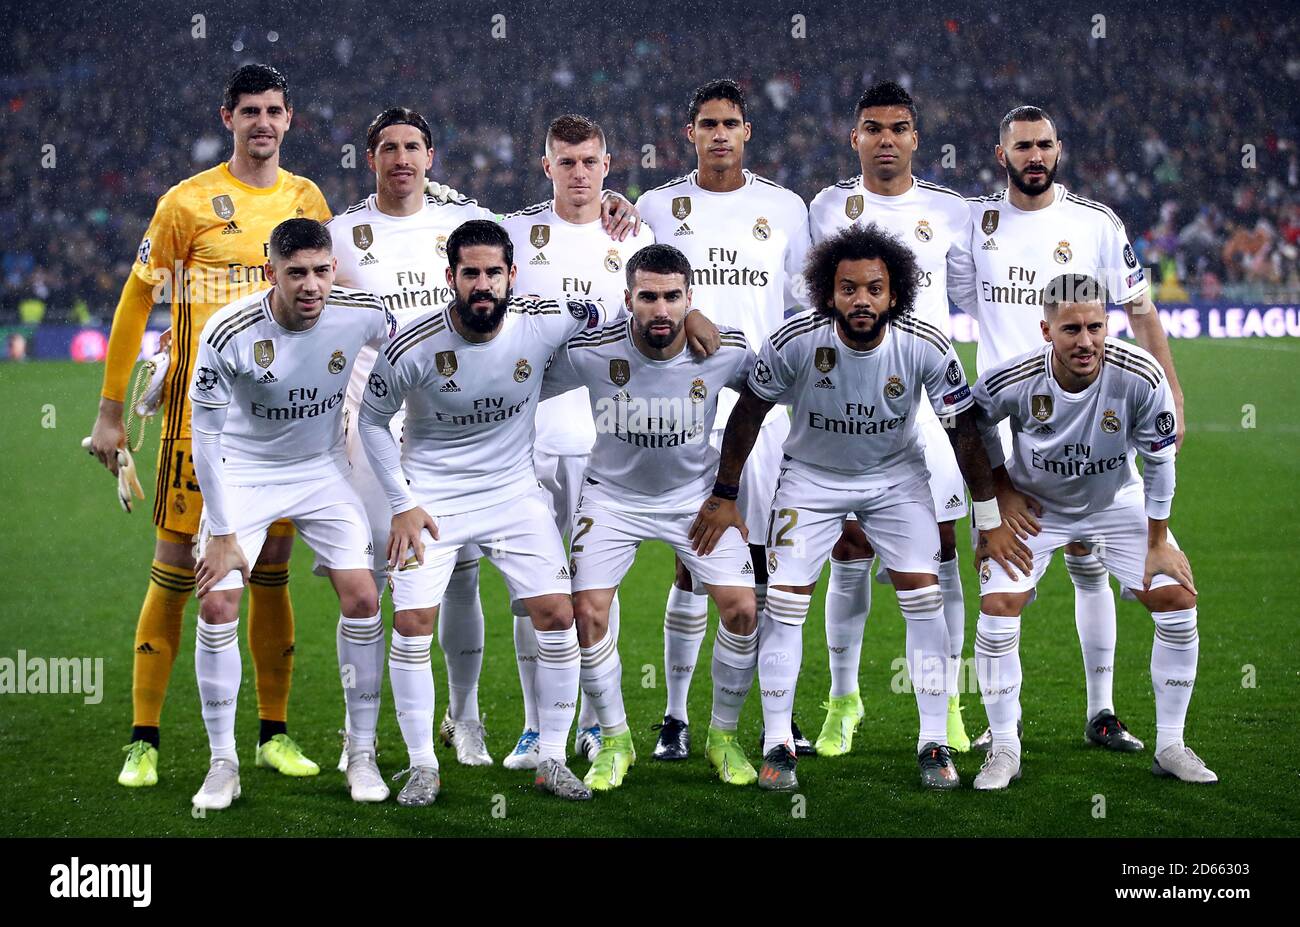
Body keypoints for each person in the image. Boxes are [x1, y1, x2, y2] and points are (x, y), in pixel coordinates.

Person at [691, 223, 1028, 791]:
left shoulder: (925, 344)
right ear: (829, 293)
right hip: (812, 479)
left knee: (924, 597)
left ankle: (933, 742)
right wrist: (725, 496)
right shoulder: (796, 338)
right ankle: (778, 743)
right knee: (787, 602)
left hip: (896, 478)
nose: (862, 300)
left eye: (874, 288)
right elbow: (747, 413)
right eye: (849, 289)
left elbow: (963, 432)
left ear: (894, 294)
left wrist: (989, 519)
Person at [88, 64, 330, 788]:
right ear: (228, 117)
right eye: (250, 110)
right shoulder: (185, 204)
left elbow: (327, 298)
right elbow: (137, 302)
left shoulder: (306, 199)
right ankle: (144, 739)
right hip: (202, 427)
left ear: (290, 120)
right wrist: (109, 409)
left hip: (282, 427)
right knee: (177, 577)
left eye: (275, 110)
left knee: (271, 578)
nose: (263, 122)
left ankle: (273, 735)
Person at [358, 220, 614, 803]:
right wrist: (402, 503)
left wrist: (690, 318)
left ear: (511, 276)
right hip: (433, 500)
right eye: (469, 272)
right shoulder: (412, 346)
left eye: (492, 273)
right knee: (412, 624)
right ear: (449, 277)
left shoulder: (544, 320)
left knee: (556, 615)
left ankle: (551, 757)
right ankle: (424, 763)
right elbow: (372, 422)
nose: (482, 284)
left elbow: (609, 315)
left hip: (513, 495)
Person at [959, 105, 1187, 753]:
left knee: (1091, 568)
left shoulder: (1094, 223)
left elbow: (1140, 312)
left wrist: (1171, 392)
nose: (1035, 156)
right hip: (1005, 435)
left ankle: (1102, 710)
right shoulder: (976, 224)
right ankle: (1000, 725)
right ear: (1001, 153)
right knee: (1003, 579)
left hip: (1094, 428)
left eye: (1045, 145)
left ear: (1059, 149)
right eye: (1022, 146)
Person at [968, 273, 1214, 789]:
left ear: (1108, 324)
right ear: (1046, 330)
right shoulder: (1009, 380)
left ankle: (1171, 743)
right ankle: (1005, 749)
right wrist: (997, 501)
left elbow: (1159, 462)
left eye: (1096, 327)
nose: (1086, 341)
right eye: (1072, 329)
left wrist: (1157, 541)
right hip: (1035, 508)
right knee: (998, 607)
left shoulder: (1141, 375)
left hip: (1115, 501)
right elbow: (972, 427)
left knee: (1178, 600)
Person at [188, 218, 395, 809]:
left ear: (334, 268)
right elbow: (205, 436)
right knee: (219, 598)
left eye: (321, 271)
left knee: (362, 596)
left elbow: (417, 347)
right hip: (244, 472)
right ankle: (223, 762)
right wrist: (223, 532)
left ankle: (360, 752)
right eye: (296, 272)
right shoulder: (229, 329)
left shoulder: (361, 312)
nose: (311, 286)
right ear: (270, 269)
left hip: (321, 471)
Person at [636, 78, 813, 759]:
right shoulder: (656, 206)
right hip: (682, 405)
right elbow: (636, 288)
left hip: (761, 410)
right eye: (706, 122)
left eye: (730, 123)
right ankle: (676, 719)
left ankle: (778, 709)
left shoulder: (786, 207)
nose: (718, 133)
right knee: (692, 561)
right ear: (689, 132)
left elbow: (801, 310)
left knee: (765, 564)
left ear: (747, 133)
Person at [541, 243, 760, 789]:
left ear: (690, 298)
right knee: (587, 614)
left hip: (694, 499)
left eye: (672, 297)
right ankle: (615, 742)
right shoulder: (591, 351)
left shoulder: (724, 350)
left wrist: (728, 492)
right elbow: (522, 383)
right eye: (648, 297)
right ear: (627, 299)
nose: (660, 310)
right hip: (613, 499)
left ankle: (723, 738)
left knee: (741, 610)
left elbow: (765, 394)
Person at [806, 80, 976, 755]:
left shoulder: (952, 210)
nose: (885, 139)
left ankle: (951, 703)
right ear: (855, 138)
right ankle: (843, 701)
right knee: (849, 546)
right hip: (848, 400)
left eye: (898, 128)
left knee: (939, 553)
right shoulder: (826, 207)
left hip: (930, 406)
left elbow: (976, 296)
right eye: (872, 128)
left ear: (915, 137)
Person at [327, 106, 496, 771]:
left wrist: (614, 208)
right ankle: (358, 734)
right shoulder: (340, 236)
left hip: (454, 426)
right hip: (368, 431)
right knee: (365, 586)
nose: (401, 158)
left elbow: (547, 236)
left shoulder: (463, 227)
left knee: (460, 577)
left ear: (432, 156)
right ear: (370, 158)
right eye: (388, 147)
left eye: (413, 147)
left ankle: (466, 716)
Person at [498, 113, 658, 769]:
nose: (580, 173)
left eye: (590, 161)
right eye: (566, 162)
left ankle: (594, 724)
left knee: (595, 589)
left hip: (606, 438)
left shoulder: (636, 235)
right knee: (534, 589)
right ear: (547, 166)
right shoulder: (514, 234)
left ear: (608, 164)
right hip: (527, 437)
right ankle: (537, 727)